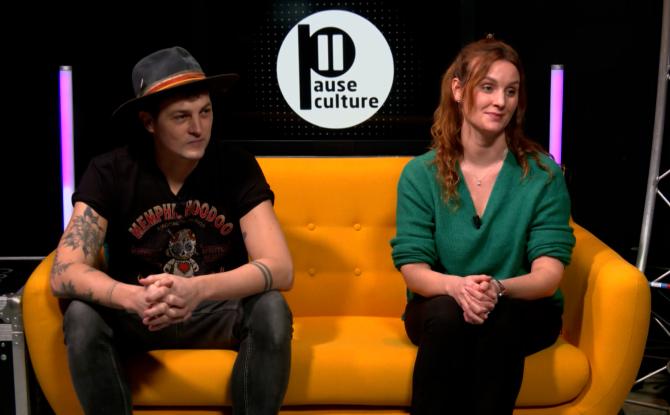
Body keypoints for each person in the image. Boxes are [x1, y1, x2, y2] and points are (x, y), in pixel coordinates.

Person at [50, 46, 294, 415]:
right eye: (181, 117)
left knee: (272, 308)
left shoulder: (237, 166)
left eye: (205, 112)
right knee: (81, 317)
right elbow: (64, 271)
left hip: (214, 309)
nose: (198, 128)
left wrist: (197, 290)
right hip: (141, 311)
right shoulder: (110, 171)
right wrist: (132, 298)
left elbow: (280, 267)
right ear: (149, 122)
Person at [390, 37, 575, 414]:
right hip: (439, 306)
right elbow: (413, 270)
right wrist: (457, 288)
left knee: (501, 320)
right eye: (487, 87)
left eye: (511, 91)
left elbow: (548, 275)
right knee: (447, 316)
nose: (500, 101)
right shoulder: (420, 174)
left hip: (520, 307)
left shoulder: (543, 174)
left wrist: (498, 288)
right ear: (458, 90)